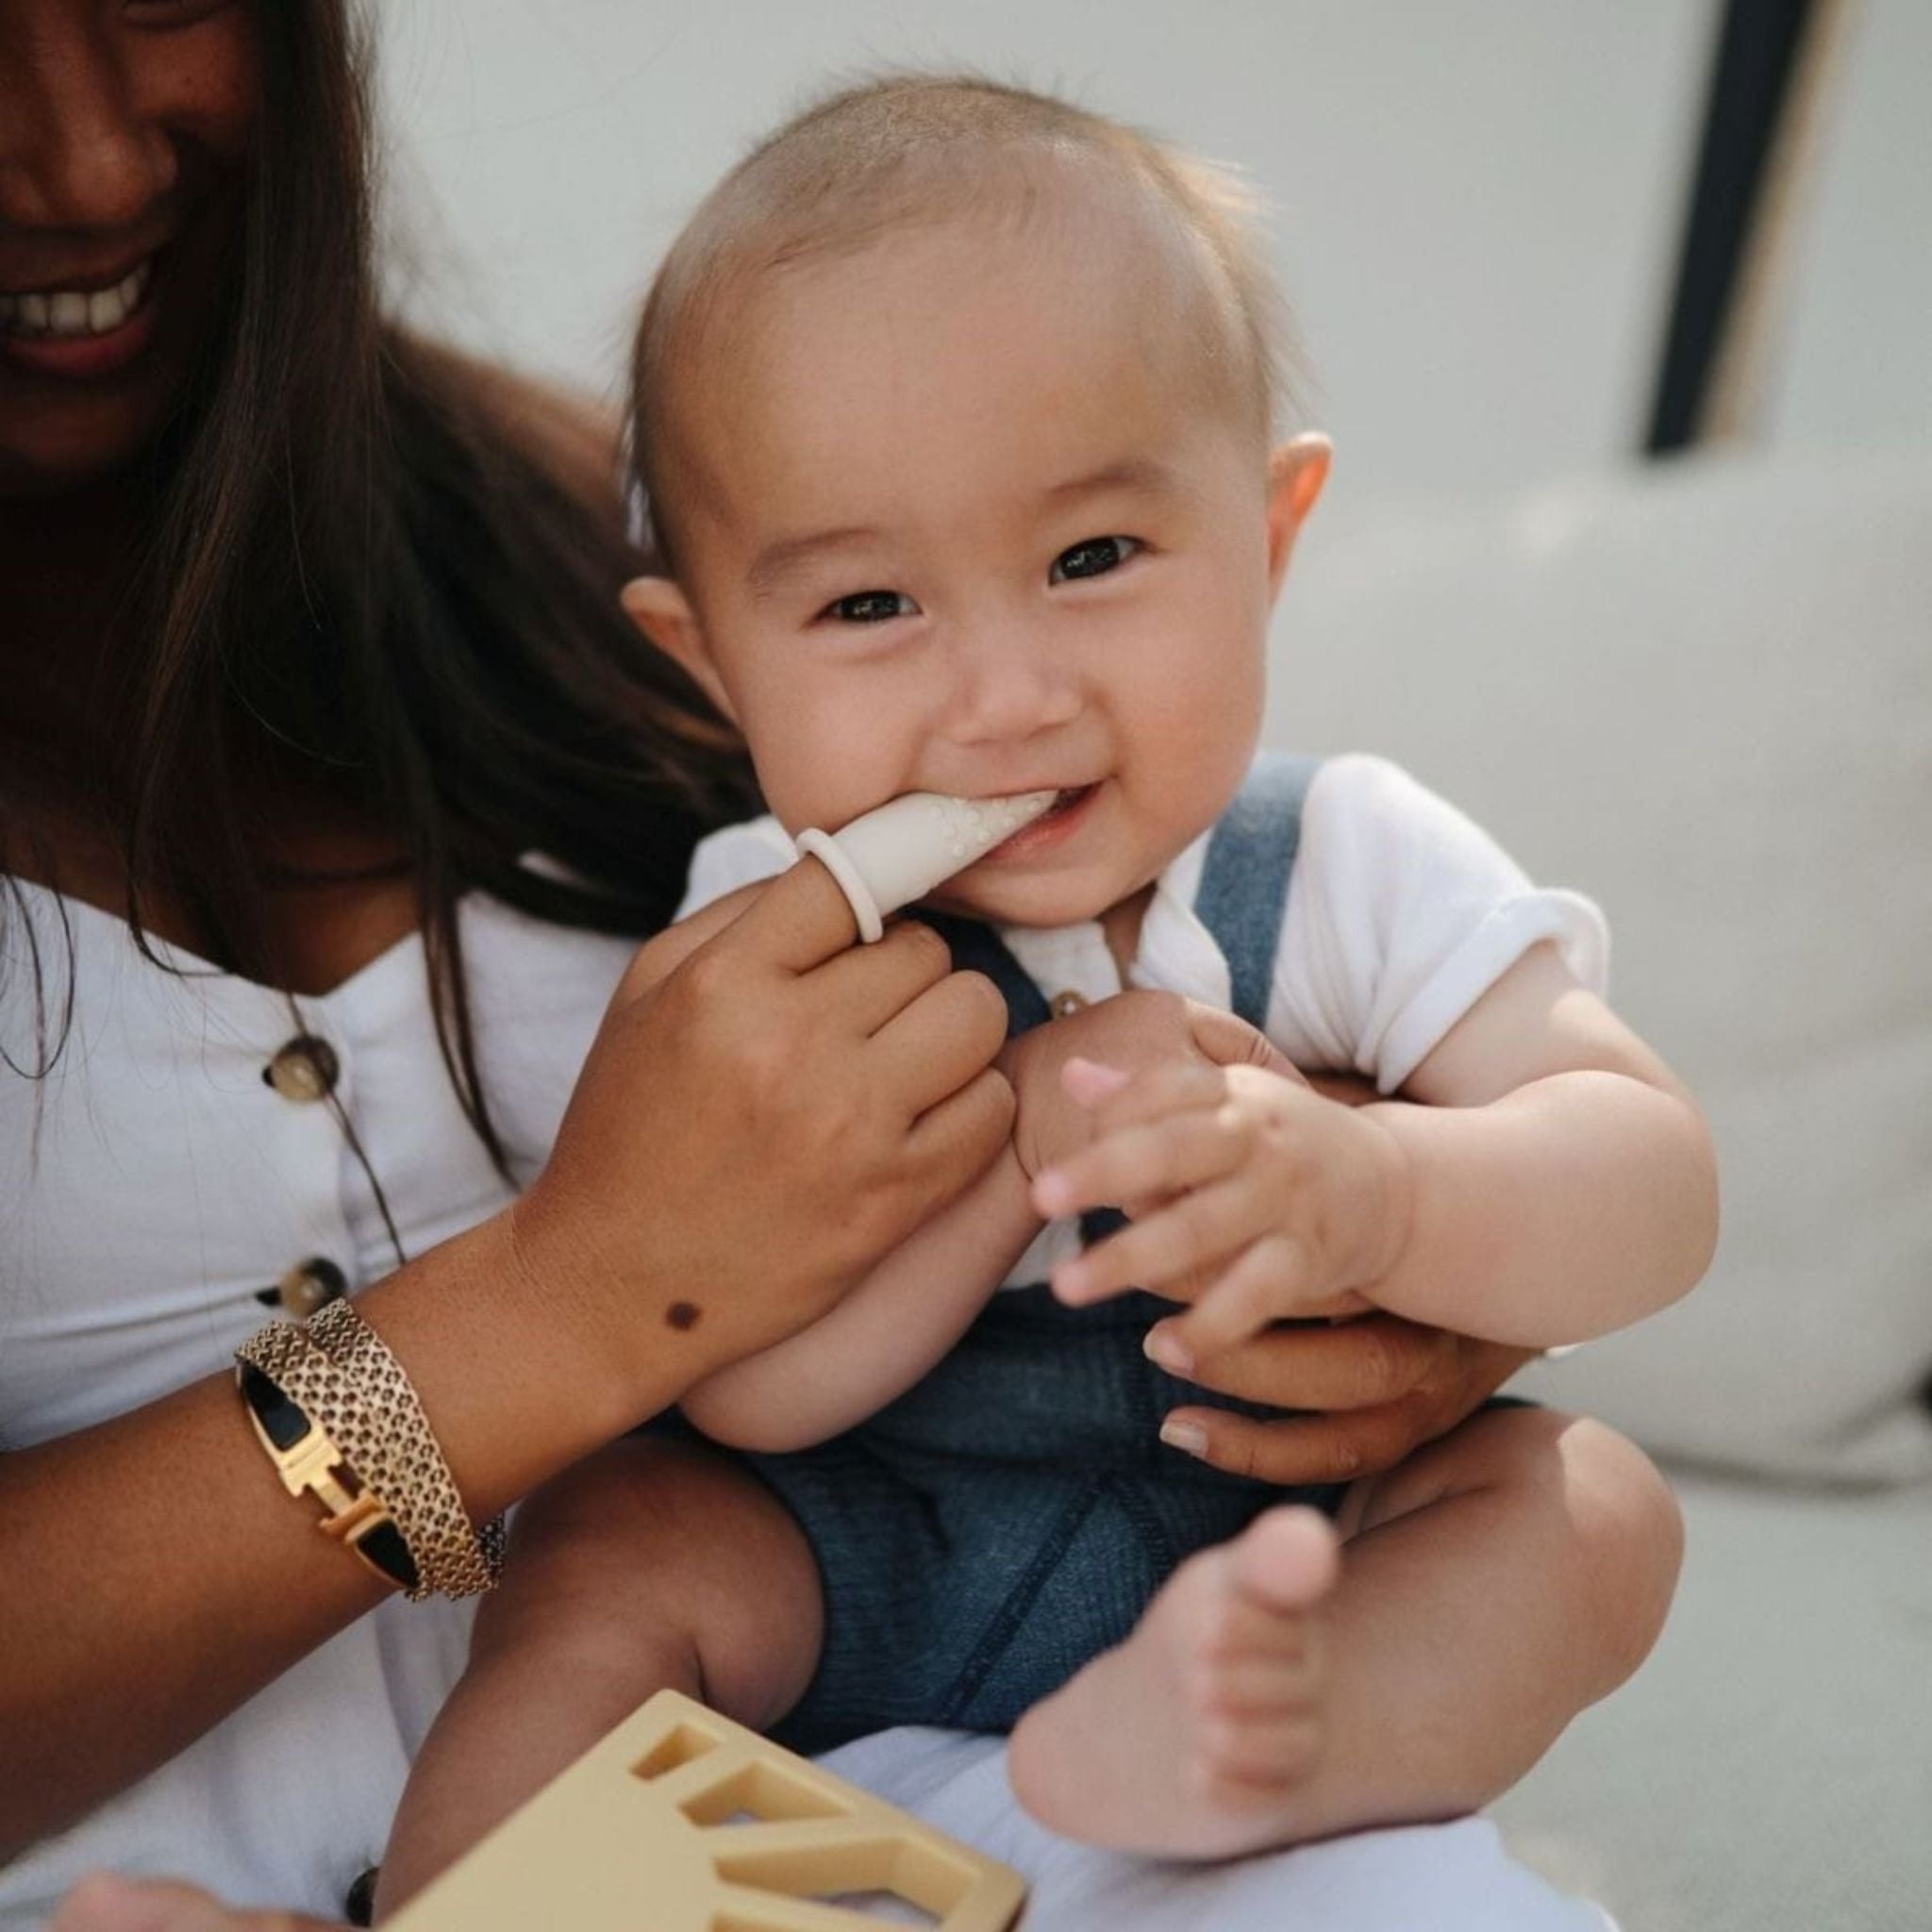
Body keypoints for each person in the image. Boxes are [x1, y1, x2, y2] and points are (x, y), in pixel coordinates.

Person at [0, 12, 1538, 1928]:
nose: (89, 162)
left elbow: (1425, 1061)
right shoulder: (749, 583)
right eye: (877, 605)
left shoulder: (606, 533)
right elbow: (697, 1351)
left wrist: (1404, 1231)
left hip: (878, 1790)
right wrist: (567, 1307)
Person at [374, 74, 1711, 1909]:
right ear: (711, 662)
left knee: (1591, 1510)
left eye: (1092, 560)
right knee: (609, 1545)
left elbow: (1649, 1183)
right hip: (851, 1541)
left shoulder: (1340, 856)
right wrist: (1017, 1137)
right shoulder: (765, 936)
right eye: (868, 607)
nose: (1006, 699)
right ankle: (473, 1898)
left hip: (1275, 1555)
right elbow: (748, 1384)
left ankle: (1267, 1743)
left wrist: (1379, 1190)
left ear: (1270, 536)